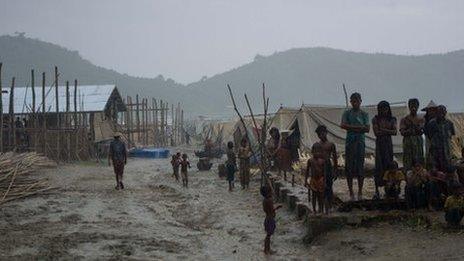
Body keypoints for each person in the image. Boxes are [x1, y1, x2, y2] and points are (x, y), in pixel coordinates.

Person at [341, 92, 370, 200]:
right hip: (350, 142)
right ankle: (351, 191)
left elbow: (367, 128)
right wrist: (358, 128)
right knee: (349, 167)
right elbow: (342, 125)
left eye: (356, 101)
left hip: (360, 142)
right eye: (353, 101)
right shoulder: (347, 113)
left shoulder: (364, 114)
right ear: (351, 102)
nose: (355, 103)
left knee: (360, 167)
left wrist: (351, 127)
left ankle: (360, 191)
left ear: (360, 101)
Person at [372, 101, 397, 199]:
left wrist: (383, 130)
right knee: (379, 166)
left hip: (388, 144)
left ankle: (389, 189)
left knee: (389, 165)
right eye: (382, 109)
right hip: (379, 145)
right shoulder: (375, 119)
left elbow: (395, 132)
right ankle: (377, 190)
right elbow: (376, 133)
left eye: (385, 109)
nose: (384, 111)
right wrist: (388, 131)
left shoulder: (392, 119)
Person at [313, 125, 338, 214]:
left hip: (328, 166)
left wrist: (335, 170)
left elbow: (335, 158)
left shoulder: (331, 144)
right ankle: (322, 206)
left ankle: (330, 205)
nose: (321, 136)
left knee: (329, 186)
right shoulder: (317, 145)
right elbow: (314, 158)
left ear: (326, 133)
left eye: (322, 133)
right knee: (320, 187)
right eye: (319, 134)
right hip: (319, 168)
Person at [427, 105, 455, 172]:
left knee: (448, 171)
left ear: (445, 112)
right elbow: (429, 136)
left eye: (443, 111)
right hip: (436, 152)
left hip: (447, 152)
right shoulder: (431, 123)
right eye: (439, 111)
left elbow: (452, 135)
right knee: (435, 171)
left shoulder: (450, 123)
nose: (441, 114)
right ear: (436, 112)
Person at [400, 98, 425, 171]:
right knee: (408, 161)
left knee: (419, 161)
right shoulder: (404, 119)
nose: (413, 108)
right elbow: (402, 132)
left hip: (418, 142)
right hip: (408, 143)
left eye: (415, 106)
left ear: (418, 106)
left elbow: (421, 130)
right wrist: (411, 130)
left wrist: (414, 128)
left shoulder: (421, 119)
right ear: (409, 106)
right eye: (411, 106)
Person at [306, 143, 326, 214]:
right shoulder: (310, 161)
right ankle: (314, 209)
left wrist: (325, 181)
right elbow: (307, 171)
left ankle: (321, 209)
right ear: (312, 151)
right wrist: (306, 181)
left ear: (321, 152)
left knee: (321, 196)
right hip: (313, 180)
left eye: (318, 151)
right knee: (314, 196)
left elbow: (324, 172)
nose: (316, 153)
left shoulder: (322, 161)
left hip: (320, 179)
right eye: (315, 151)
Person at [261, 185, 282, 255]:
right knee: (268, 235)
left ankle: (266, 249)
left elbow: (267, 210)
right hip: (270, 219)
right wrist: (277, 207)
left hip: (267, 218)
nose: (271, 193)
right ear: (268, 193)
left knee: (268, 235)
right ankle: (267, 249)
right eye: (270, 192)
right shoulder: (269, 200)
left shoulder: (264, 200)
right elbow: (272, 210)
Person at [423, 100, 439, 170]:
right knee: (429, 155)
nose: (432, 112)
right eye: (430, 110)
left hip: (438, 141)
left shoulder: (439, 120)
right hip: (428, 140)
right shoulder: (425, 120)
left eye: (433, 110)